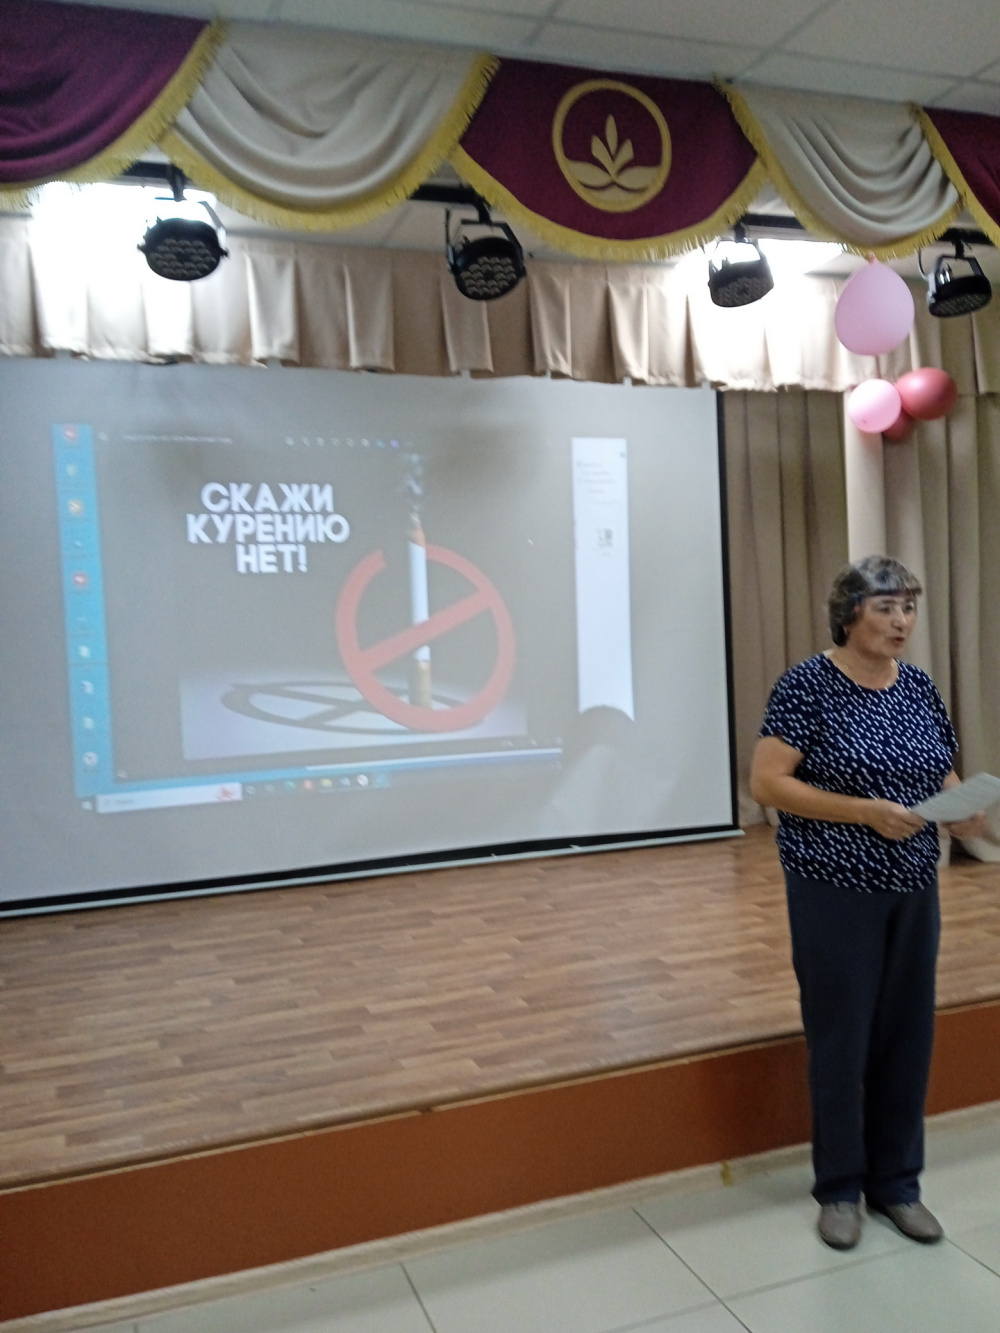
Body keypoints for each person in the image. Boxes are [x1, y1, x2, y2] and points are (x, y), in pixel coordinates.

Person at [750, 555, 988, 1251]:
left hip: (913, 885)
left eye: (908, 607)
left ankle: (898, 1184)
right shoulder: (808, 684)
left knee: (907, 1036)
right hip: (833, 886)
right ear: (849, 613)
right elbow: (768, 783)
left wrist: (962, 812)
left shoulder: (918, 686)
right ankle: (840, 1189)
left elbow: (939, 770)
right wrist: (863, 811)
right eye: (886, 608)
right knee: (841, 1037)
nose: (901, 621)